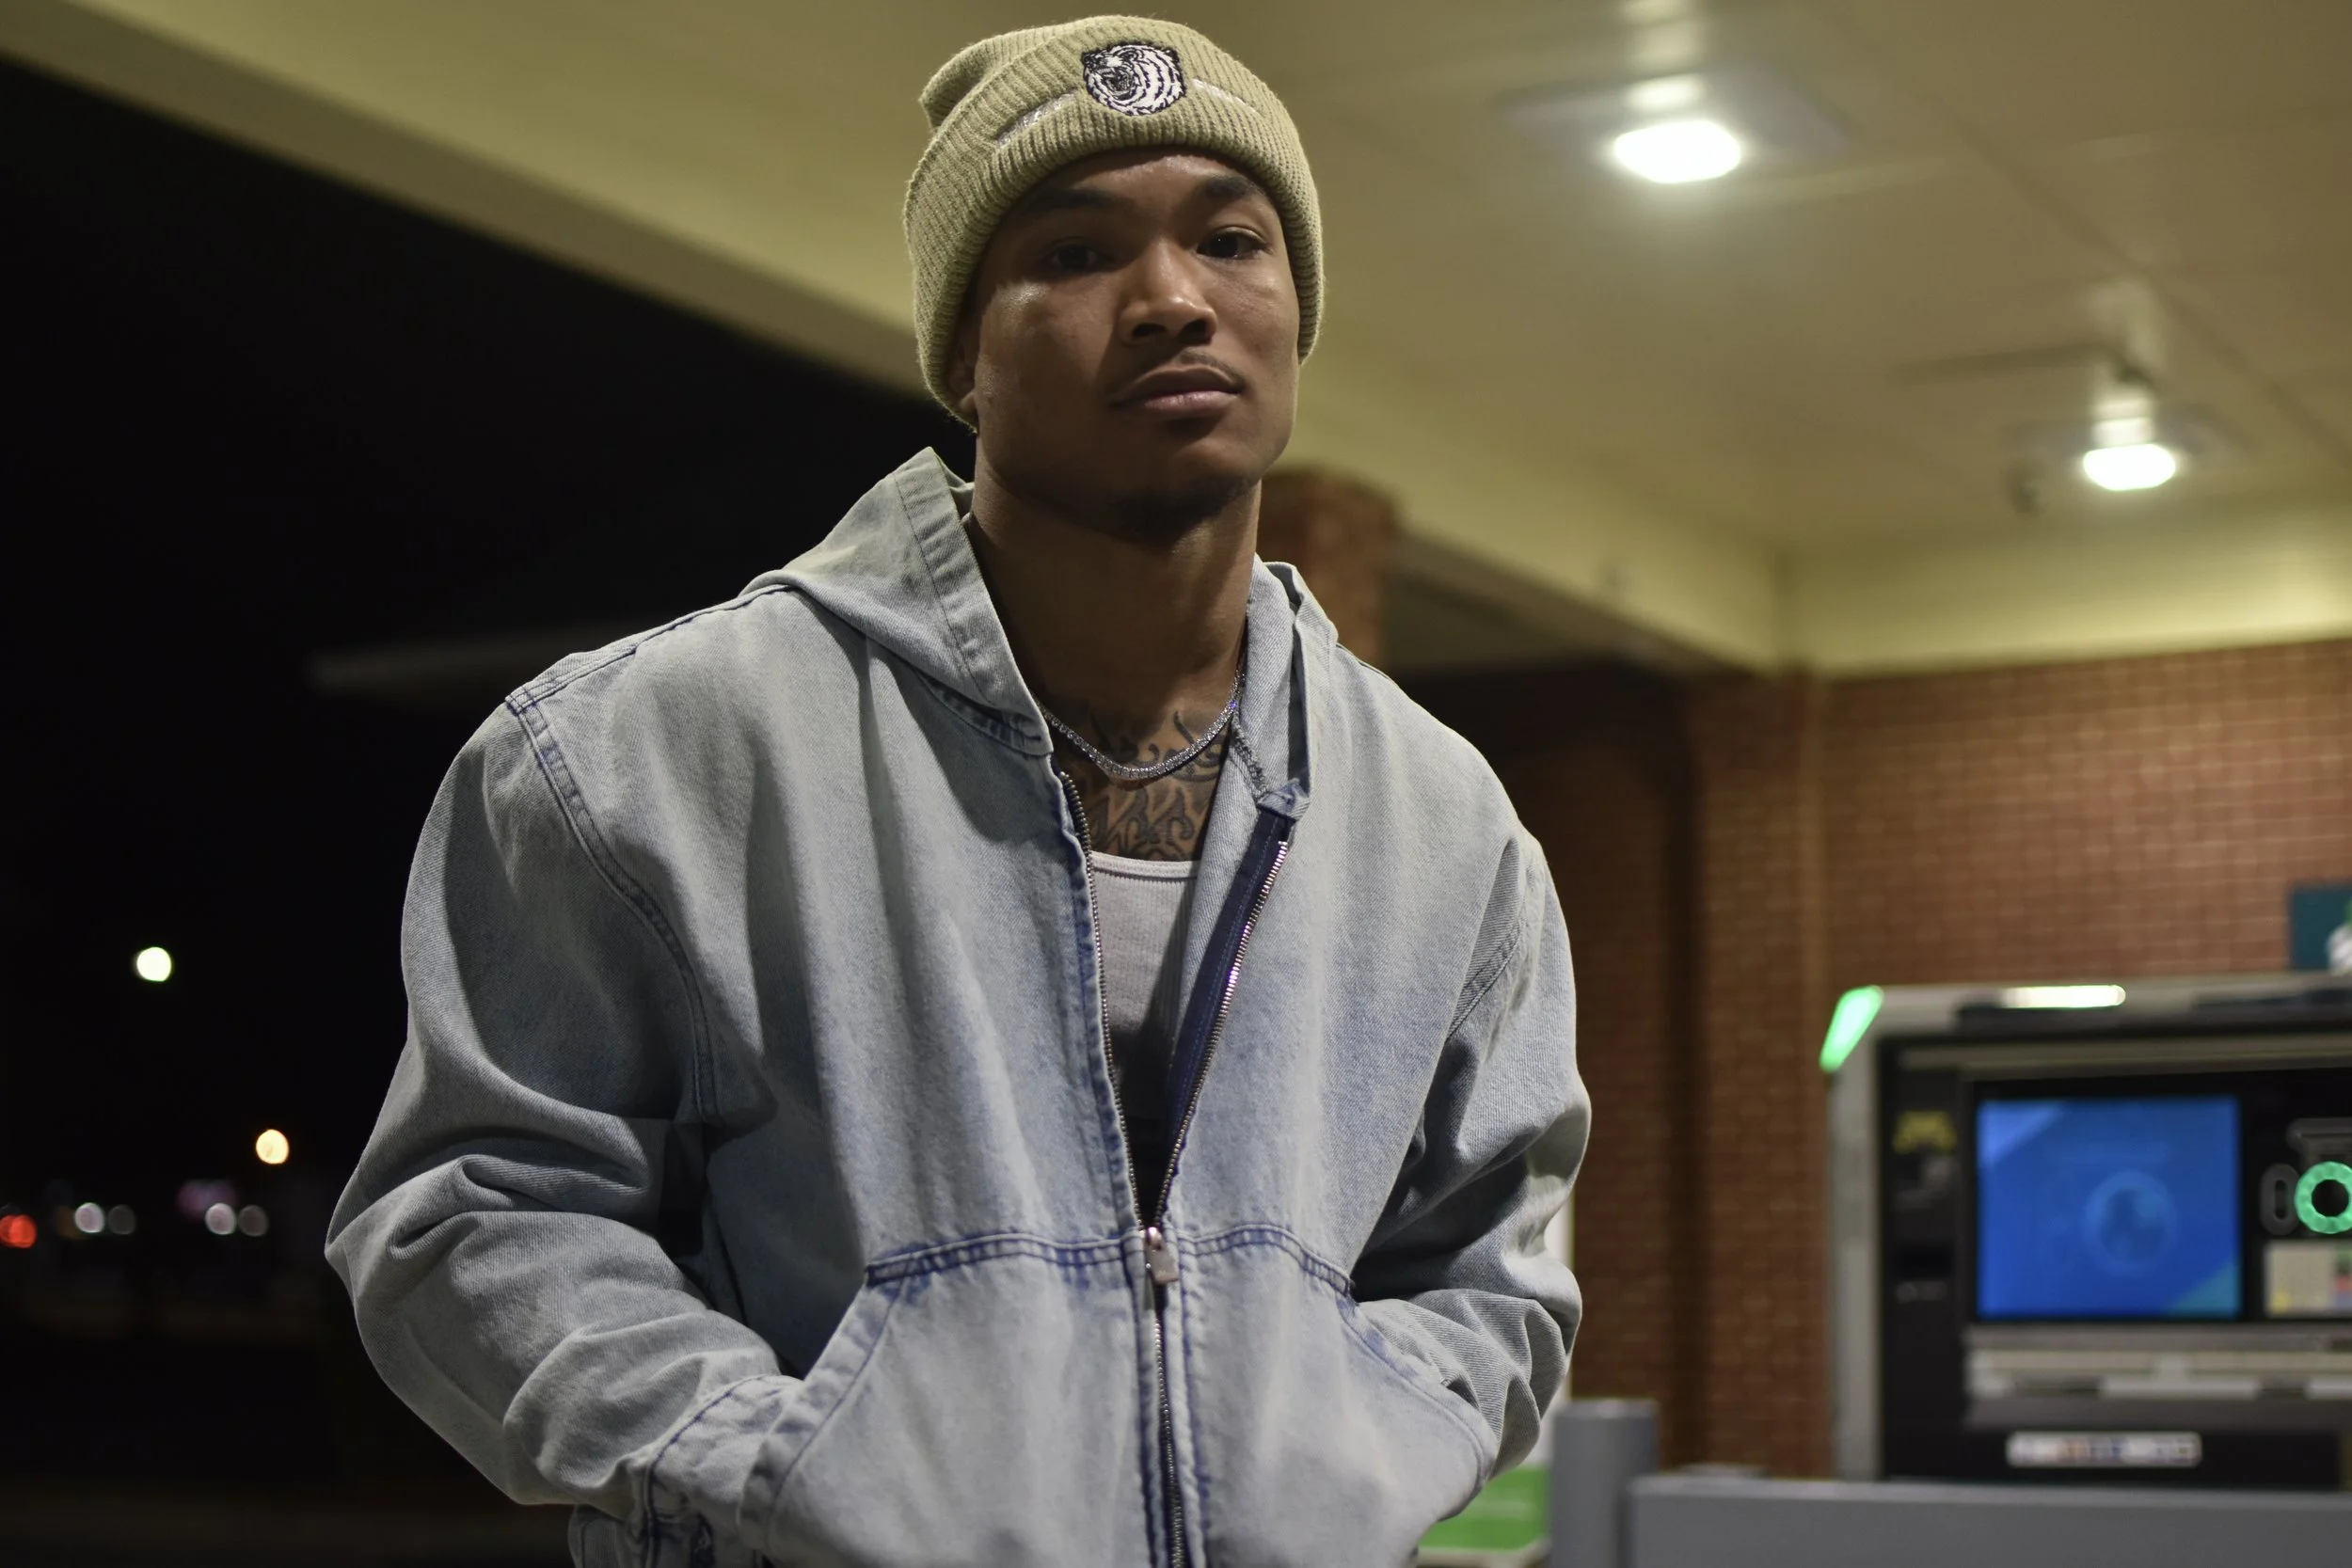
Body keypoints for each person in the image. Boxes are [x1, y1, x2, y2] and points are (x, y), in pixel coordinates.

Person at [327, 17, 1587, 1567]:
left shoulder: (1444, 822)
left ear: (1295, 308)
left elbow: (1487, 1268)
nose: (1174, 298)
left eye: (1231, 238)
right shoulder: (644, 750)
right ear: (962, 357)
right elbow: (476, 1214)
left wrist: (1340, 1471)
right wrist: (783, 1463)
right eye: (1075, 250)